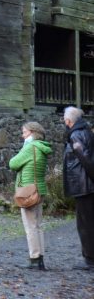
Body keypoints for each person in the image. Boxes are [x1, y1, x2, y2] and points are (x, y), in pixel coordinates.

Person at [9, 121, 51, 270]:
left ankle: (34, 258)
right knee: (38, 226)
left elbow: (13, 163)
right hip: (39, 190)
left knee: (30, 227)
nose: (22, 135)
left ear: (32, 133)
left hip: (28, 191)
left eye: (24, 132)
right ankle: (40, 259)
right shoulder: (42, 148)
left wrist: (23, 148)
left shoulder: (30, 147)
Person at [62, 106, 94, 270]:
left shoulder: (76, 135)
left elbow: (86, 159)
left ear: (68, 121)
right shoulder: (87, 131)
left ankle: (89, 259)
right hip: (86, 184)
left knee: (85, 223)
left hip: (84, 185)